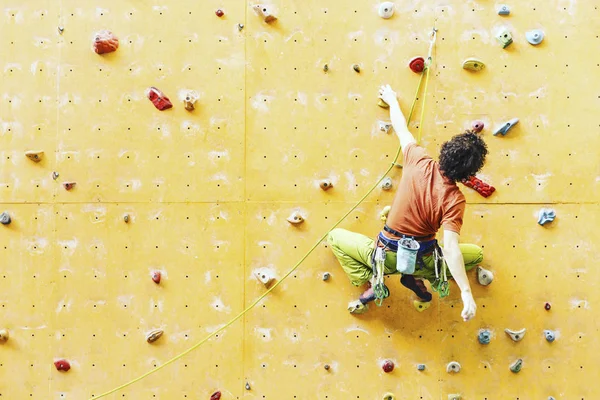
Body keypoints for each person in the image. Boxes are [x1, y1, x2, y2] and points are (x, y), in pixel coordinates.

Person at [328, 84, 488, 322]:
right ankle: (423, 277)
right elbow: (452, 248)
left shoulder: (418, 158)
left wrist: (392, 101)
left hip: (383, 255)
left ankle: (373, 281)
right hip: (422, 259)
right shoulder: (455, 199)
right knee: (475, 255)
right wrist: (466, 293)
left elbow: (401, 128)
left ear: (445, 152)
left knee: (335, 238)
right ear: (468, 174)